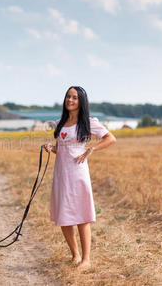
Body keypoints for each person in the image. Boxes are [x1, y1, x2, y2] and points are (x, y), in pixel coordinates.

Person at [44, 86, 116, 269]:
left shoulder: (89, 122)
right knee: (64, 215)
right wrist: (51, 148)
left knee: (82, 216)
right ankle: (75, 256)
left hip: (78, 173)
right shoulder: (60, 122)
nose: (70, 100)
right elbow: (61, 150)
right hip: (61, 173)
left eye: (74, 97)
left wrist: (92, 149)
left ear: (81, 101)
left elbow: (110, 138)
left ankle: (86, 260)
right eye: (68, 96)